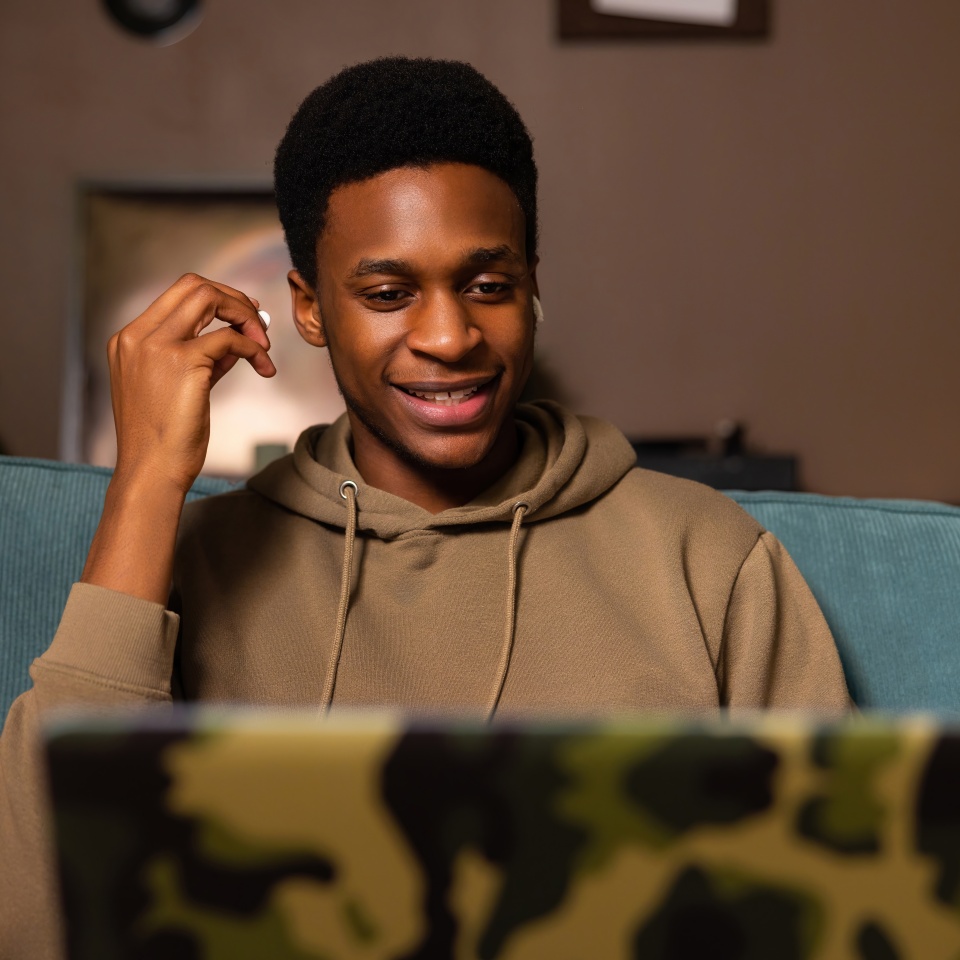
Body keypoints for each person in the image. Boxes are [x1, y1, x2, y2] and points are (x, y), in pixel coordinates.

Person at [0, 56, 850, 958]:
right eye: (387, 293)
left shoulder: (707, 561)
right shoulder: (189, 566)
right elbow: (37, 922)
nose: (449, 337)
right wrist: (144, 484)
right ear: (310, 306)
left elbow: (835, 912)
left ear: (531, 282)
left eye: (488, 285)